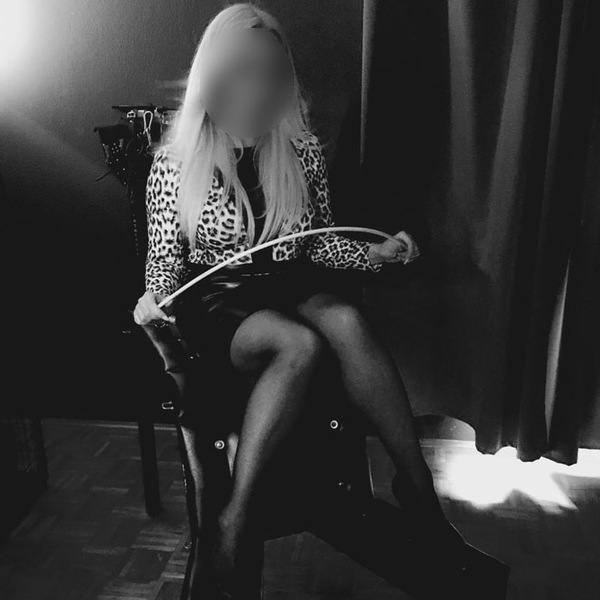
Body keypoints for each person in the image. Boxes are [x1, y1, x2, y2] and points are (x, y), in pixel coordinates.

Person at [133, 2, 469, 597]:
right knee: (298, 344)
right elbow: (164, 266)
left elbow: (317, 243)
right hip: (220, 302)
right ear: (216, 76)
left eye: (271, 73)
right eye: (244, 73)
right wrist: (153, 302)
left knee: (344, 318)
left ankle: (417, 489)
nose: (258, 88)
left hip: (286, 285)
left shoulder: (301, 148)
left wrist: (374, 254)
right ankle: (238, 517)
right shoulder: (176, 162)